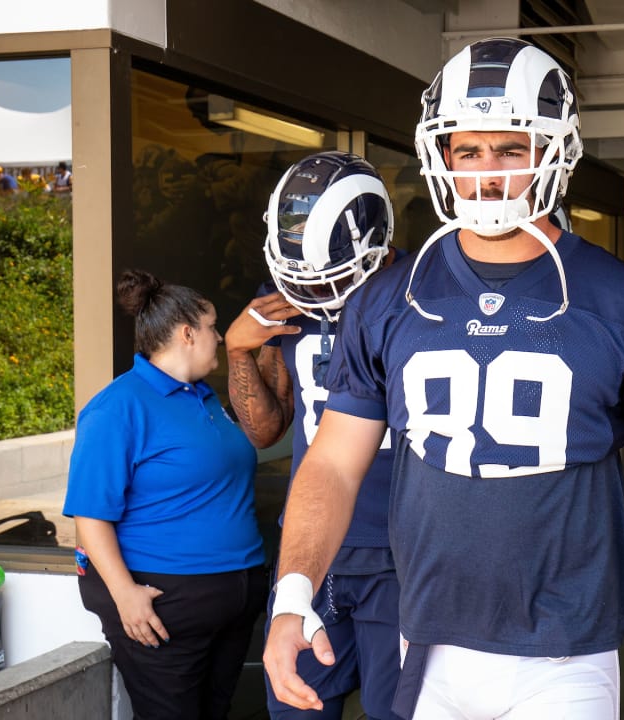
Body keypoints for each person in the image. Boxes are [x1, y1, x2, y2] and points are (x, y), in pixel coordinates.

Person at [263, 37, 624, 720]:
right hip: (425, 641)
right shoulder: (389, 301)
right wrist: (293, 592)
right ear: (440, 155)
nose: (488, 174)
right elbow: (333, 463)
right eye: (468, 150)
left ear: (556, 152)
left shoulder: (623, 305)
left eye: (512, 149)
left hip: (563, 656)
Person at [226, 151, 402, 720]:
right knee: (296, 707)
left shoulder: (417, 293)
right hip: (310, 550)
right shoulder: (285, 301)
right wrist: (238, 350)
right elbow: (266, 429)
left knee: (396, 710)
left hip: (398, 549)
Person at [63, 269, 268, 720]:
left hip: (231, 601)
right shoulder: (118, 407)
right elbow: (90, 516)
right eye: (213, 327)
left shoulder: (204, 398)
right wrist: (124, 594)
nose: (218, 336)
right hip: (164, 605)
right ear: (187, 333)